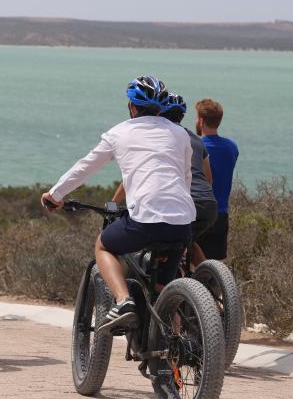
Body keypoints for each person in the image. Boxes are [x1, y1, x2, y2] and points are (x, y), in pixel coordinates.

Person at [40, 76, 194, 334]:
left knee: (103, 245)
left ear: (131, 106)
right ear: (160, 108)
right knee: (163, 288)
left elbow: (84, 168)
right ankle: (173, 346)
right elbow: (185, 177)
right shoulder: (180, 134)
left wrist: (55, 195)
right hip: (182, 223)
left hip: (145, 220)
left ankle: (123, 301)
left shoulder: (119, 133)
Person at [111, 93, 217, 269]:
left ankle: (172, 284)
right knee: (186, 243)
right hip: (208, 205)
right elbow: (209, 179)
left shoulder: (159, 138)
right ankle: (210, 279)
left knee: (160, 245)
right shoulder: (196, 139)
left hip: (181, 205)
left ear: (159, 113)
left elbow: (133, 177)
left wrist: (113, 202)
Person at [195, 98, 239, 261]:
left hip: (199, 214)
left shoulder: (196, 146)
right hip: (221, 213)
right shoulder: (231, 147)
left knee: (190, 262)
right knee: (215, 266)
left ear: (201, 121)